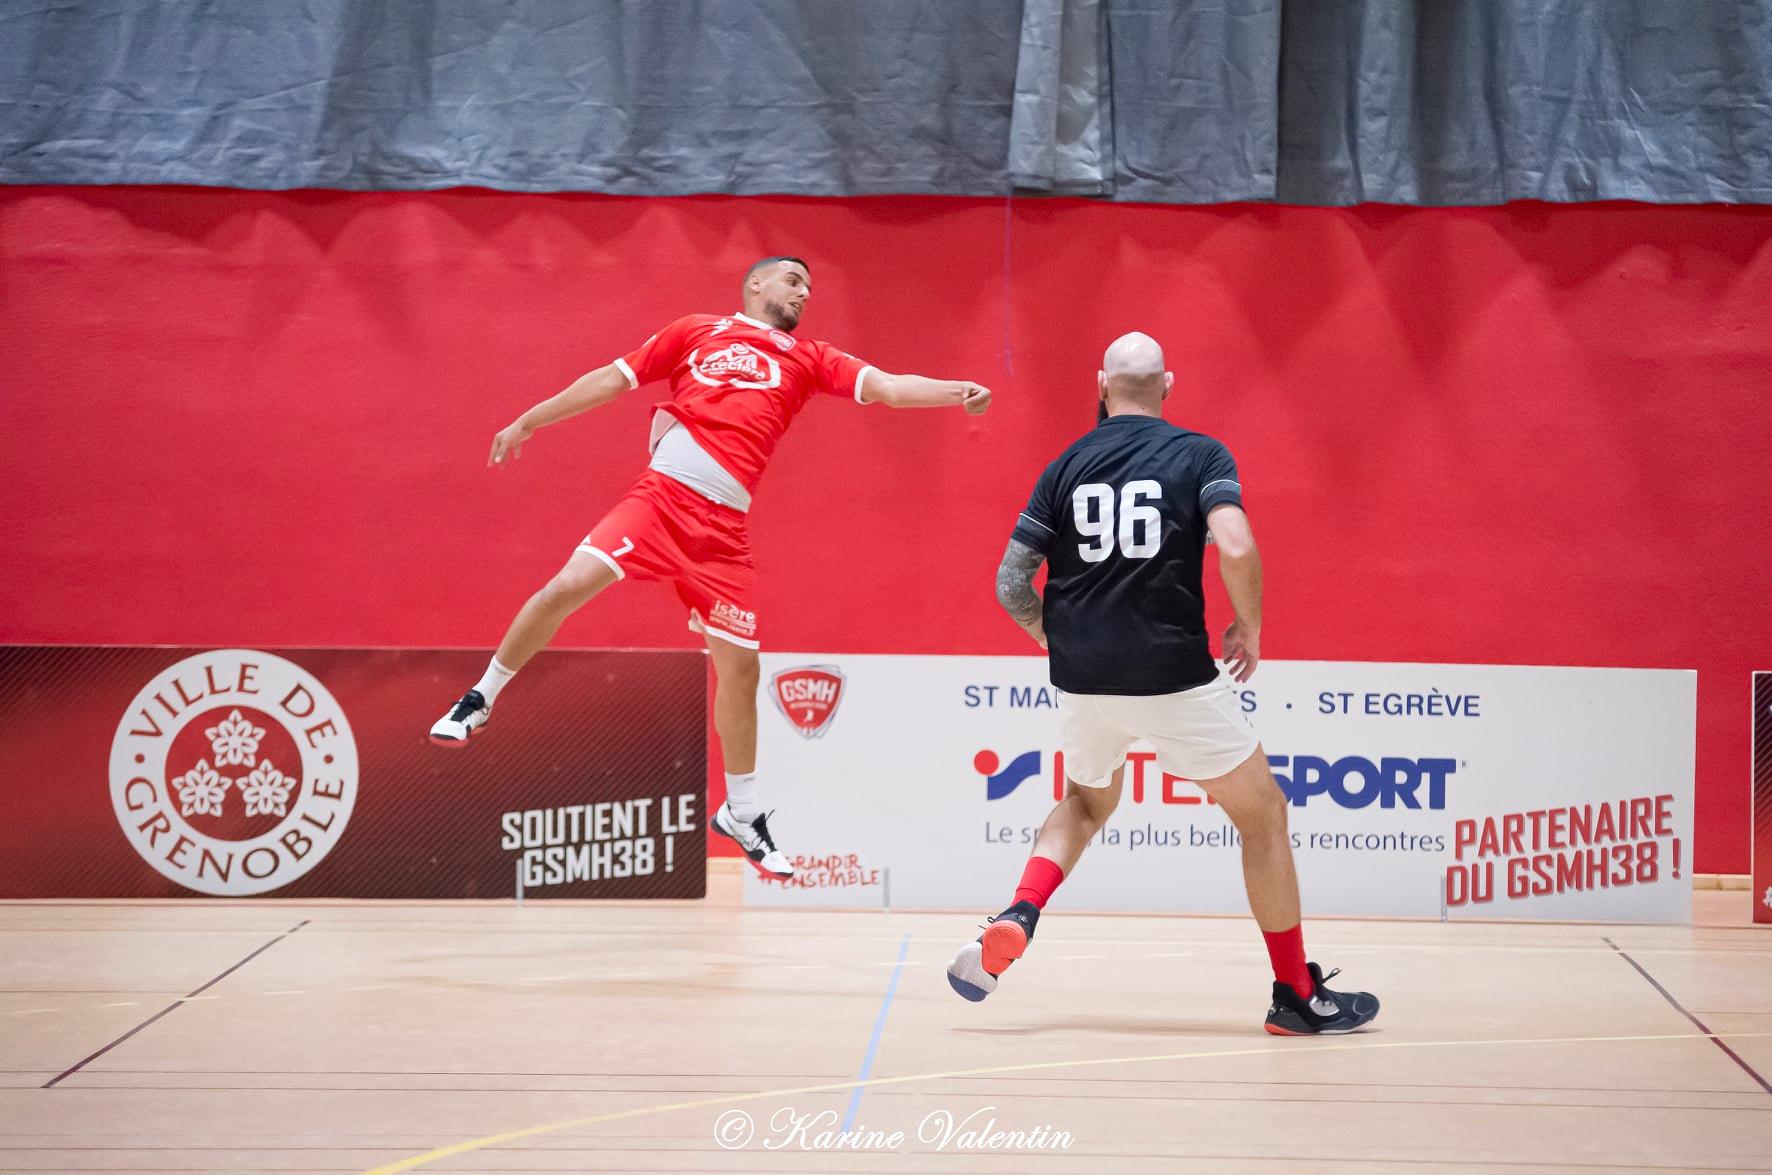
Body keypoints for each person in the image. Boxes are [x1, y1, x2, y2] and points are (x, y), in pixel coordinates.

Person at [430, 256, 991, 879]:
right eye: (793, 281)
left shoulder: (808, 358)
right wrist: (530, 418)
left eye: (809, 288)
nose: (803, 293)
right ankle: (479, 698)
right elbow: (611, 379)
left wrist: (955, 390)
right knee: (567, 586)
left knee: (742, 671)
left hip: (722, 535)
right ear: (756, 283)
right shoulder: (696, 331)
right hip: (661, 500)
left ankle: (742, 814)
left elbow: (886, 386)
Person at [945, 331, 1377, 1035]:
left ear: (1101, 384)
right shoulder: (1200, 454)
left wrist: (1062, 643)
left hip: (1084, 679)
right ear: (1167, 386)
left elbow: (1009, 583)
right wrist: (1250, 625)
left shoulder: (1063, 466)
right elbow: (1234, 543)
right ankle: (1296, 994)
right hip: (1174, 674)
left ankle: (1020, 910)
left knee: (1084, 803)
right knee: (1262, 814)